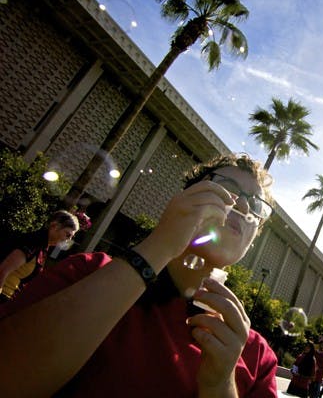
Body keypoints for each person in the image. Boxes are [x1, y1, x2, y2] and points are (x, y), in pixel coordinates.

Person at [0, 153, 278, 397]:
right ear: (187, 198)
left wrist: (220, 387)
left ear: (252, 240)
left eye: (256, 206)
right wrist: (159, 247)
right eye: (227, 188)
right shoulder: (89, 272)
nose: (242, 205)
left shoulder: (256, 356)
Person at [0, 209, 79, 301]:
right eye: (67, 235)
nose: (68, 240)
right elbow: (2, 271)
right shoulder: (32, 243)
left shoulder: (43, 248)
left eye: (71, 237)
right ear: (54, 226)